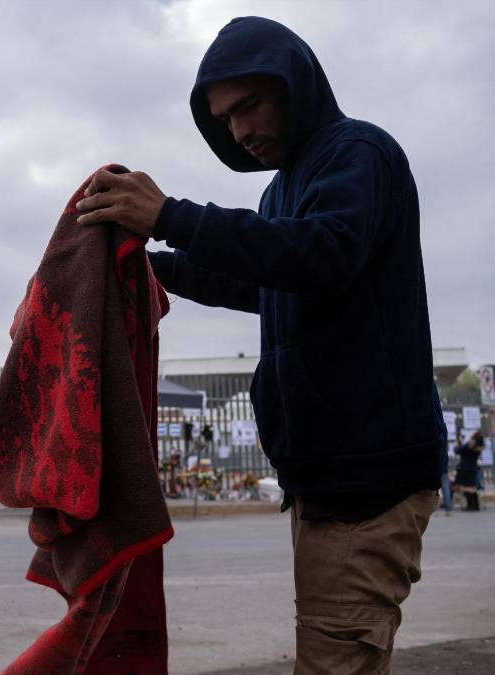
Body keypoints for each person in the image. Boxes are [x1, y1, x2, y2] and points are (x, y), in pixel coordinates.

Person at [75, 16, 444, 673]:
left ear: (293, 84)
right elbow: (259, 279)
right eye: (224, 119)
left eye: (248, 105)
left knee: (333, 662)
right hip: (325, 480)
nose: (239, 130)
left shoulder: (357, 153)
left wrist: (170, 216)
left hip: (367, 481)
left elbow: (323, 251)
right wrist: (143, 268)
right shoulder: (281, 189)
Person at [454, 431, 483, 512]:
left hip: (465, 469)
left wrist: (459, 443)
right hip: (473, 468)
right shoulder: (478, 447)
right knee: (472, 487)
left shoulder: (468, 445)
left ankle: (470, 505)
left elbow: (457, 451)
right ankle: (476, 505)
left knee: (466, 488)